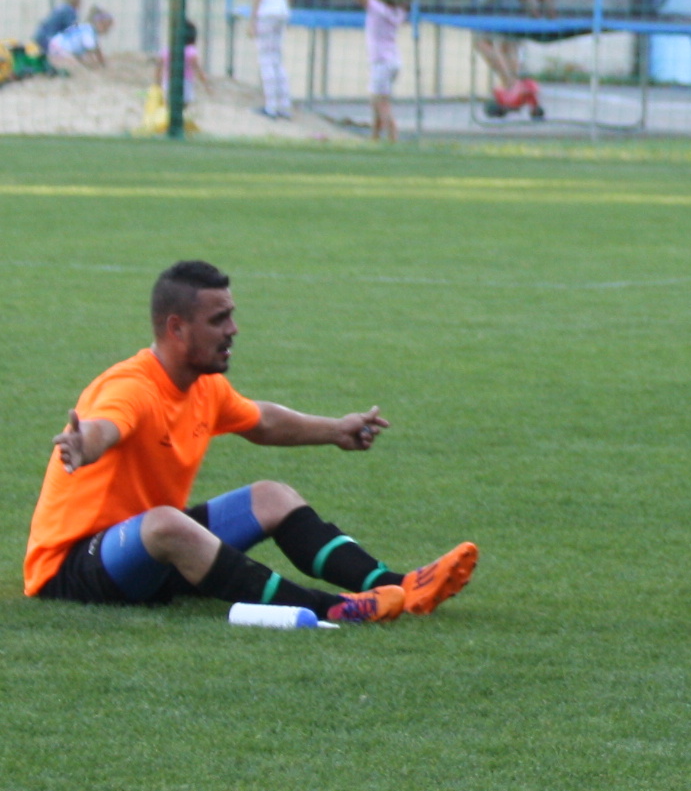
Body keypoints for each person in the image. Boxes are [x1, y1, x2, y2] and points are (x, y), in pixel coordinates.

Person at [26, 260, 478, 622]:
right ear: (176, 328)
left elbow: (261, 421)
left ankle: (400, 585)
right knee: (166, 523)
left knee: (271, 496)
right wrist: (84, 444)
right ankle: (331, 609)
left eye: (231, 315)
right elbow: (106, 425)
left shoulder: (204, 386)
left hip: (151, 561)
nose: (233, 329)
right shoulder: (132, 387)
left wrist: (336, 429)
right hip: (72, 569)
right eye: (218, 319)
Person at [354, 0, 407, 141]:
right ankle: (375, 137)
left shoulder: (376, 8)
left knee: (381, 103)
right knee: (377, 101)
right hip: (393, 60)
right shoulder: (399, 11)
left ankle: (393, 136)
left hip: (381, 61)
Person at [250, 0, 292, 119]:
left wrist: (253, 19)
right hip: (281, 11)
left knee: (266, 60)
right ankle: (284, 104)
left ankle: (271, 106)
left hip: (267, 13)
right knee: (277, 60)